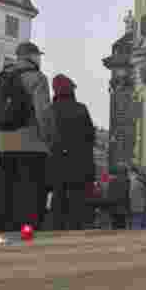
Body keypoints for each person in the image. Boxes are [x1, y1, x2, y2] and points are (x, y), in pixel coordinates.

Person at [0, 42, 55, 233]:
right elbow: (43, 113)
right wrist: (47, 139)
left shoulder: (1, 78)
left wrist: (0, 135)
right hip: (31, 144)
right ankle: (28, 234)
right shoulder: (37, 78)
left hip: (5, 144)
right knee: (30, 194)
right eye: (38, 56)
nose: (40, 59)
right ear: (31, 56)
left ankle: (3, 233)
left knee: (6, 192)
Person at [47, 73, 95, 231]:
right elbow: (90, 136)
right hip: (79, 164)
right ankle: (75, 232)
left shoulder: (50, 110)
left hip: (56, 163)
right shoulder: (81, 109)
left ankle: (56, 231)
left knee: (58, 198)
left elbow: (45, 136)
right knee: (77, 202)